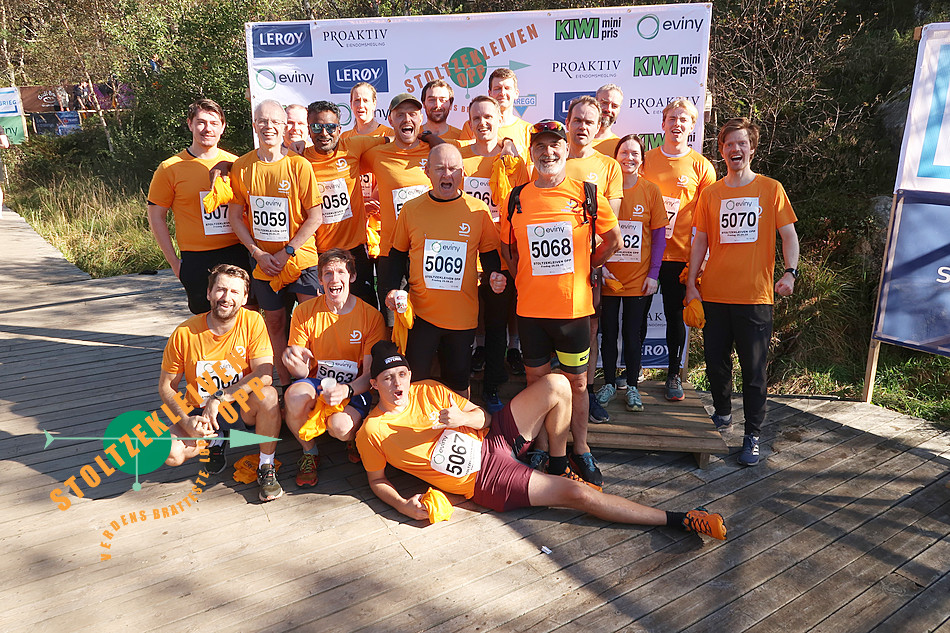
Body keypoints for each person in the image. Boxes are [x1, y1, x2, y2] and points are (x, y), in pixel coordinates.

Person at [356, 340, 726, 541]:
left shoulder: (428, 390)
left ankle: (558, 463)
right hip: (487, 480)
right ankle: (680, 519)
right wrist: (403, 505)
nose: (398, 383)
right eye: (387, 378)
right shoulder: (372, 431)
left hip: (494, 438)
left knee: (557, 383)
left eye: (402, 374)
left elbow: (485, 417)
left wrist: (464, 418)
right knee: (578, 495)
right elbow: (377, 480)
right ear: (374, 384)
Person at [499, 119, 620, 487]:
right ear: (531, 152)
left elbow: (613, 239)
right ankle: (540, 446)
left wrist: (590, 265)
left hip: (573, 312)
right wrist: (522, 275)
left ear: (566, 149)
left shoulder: (587, 194)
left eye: (555, 145)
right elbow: (506, 245)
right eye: (540, 146)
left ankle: (580, 448)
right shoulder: (517, 197)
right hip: (531, 312)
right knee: (536, 383)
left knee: (577, 385)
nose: (548, 152)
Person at [686, 118, 800, 466]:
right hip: (715, 294)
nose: (735, 149)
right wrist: (691, 284)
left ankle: (753, 434)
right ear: (721, 151)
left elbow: (789, 236)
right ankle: (722, 414)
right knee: (716, 364)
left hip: (755, 297)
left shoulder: (771, 189)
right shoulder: (710, 193)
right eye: (729, 144)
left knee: (753, 371)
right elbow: (700, 242)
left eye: (741, 143)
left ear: (752, 148)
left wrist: (790, 272)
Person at [383, 143, 505, 398]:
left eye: (453, 169)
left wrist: (495, 275)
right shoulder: (411, 209)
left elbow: (489, 254)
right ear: (427, 171)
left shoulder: (478, 210)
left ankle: (459, 422)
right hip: (421, 316)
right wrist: (392, 289)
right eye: (439, 168)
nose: (446, 174)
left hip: (461, 317)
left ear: (463, 173)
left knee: (458, 382)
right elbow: (397, 255)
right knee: (415, 381)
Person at [159, 264, 283, 501]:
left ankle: (266, 465)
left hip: (240, 407)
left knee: (268, 395)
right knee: (170, 453)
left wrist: (219, 397)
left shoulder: (253, 321)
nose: (227, 297)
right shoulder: (184, 333)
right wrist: (186, 421)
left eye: (235, 292)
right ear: (209, 293)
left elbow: (265, 373)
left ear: (244, 298)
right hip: (200, 413)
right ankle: (214, 441)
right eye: (221, 290)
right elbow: (166, 387)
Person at [228, 99, 322, 388]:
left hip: (300, 260)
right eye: (263, 121)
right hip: (264, 264)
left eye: (275, 122)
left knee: (311, 325)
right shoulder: (243, 166)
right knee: (275, 324)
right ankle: (285, 386)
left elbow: (315, 216)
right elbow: (235, 217)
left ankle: (315, 386)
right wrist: (256, 252)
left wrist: (288, 250)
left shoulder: (299, 165)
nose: (269, 127)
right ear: (255, 125)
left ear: (284, 127)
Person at [283, 249, 386, 487]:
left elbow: (369, 374)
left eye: (341, 272)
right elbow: (301, 372)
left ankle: (353, 436)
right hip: (317, 383)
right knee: (293, 396)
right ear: (320, 280)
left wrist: (347, 390)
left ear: (352, 276)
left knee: (339, 428)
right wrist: (294, 364)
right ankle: (310, 452)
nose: (334, 279)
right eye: (328, 274)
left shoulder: (371, 317)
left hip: (354, 388)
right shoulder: (304, 312)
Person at [641, 98, 716, 401]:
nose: (677, 124)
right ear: (663, 123)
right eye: (672, 118)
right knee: (637, 315)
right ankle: (630, 371)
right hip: (645, 254)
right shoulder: (646, 159)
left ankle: (673, 373)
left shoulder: (702, 166)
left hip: (680, 256)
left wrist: (703, 259)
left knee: (674, 316)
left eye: (684, 119)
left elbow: (708, 218)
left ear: (692, 126)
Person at [460, 95, 530, 411]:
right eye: (477, 118)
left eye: (488, 117)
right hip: (463, 254)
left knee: (498, 324)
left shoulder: (513, 161)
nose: (483, 123)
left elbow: (522, 207)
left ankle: (492, 388)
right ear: (469, 122)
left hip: (499, 254)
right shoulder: (459, 156)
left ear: (499, 119)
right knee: (463, 324)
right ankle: (457, 388)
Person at [147, 99, 251, 314]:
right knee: (205, 320)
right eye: (201, 122)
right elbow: (156, 216)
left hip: (238, 252)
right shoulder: (170, 168)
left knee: (243, 317)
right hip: (197, 257)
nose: (207, 129)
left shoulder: (238, 164)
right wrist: (175, 263)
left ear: (223, 127)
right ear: (190, 124)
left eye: (214, 123)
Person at [562, 95, 623, 425]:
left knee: (590, 328)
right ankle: (555, 398)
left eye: (589, 121)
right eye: (577, 120)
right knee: (553, 328)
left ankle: (585, 392)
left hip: (588, 265)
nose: (582, 126)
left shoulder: (609, 166)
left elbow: (611, 221)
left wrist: (593, 261)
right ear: (568, 122)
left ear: (599, 126)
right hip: (551, 266)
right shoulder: (552, 158)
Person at [596, 134, 667, 412]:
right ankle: (609, 383)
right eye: (624, 152)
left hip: (639, 279)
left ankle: (633, 386)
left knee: (633, 333)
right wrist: (600, 267)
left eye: (635, 153)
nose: (629, 158)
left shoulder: (650, 191)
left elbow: (659, 237)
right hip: (609, 278)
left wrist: (654, 274)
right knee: (608, 332)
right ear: (615, 158)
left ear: (642, 159)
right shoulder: (603, 192)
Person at [300, 100, 387, 309]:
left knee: (366, 309)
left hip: (354, 250)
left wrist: (428, 137)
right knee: (327, 312)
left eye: (330, 127)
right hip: (319, 251)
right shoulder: (300, 159)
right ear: (308, 130)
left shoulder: (353, 146)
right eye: (317, 127)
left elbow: (393, 140)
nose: (324, 133)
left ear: (339, 129)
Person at [360, 93, 433, 324]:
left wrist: (508, 142)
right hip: (391, 251)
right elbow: (343, 159)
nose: (407, 119)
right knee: (392, 322)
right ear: (390, 120)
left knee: (427, 322)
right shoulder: (377, 153)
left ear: (420, 118)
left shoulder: (434, 151)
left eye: (412, 114)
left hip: (428, 251)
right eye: (400, 115)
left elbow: (475, 149)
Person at [460, 69, 533, 159]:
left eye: (507, 88)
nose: (502, 93)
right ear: (489, 93)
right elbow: (463, 155)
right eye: (497, 89)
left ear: (516, 93)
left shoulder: (528, 130)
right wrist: (506, 142)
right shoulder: (470, 126)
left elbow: (530, 167)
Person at [593, 84, 624, 157]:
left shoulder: (620, 147)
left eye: (614, 106)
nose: (608, 109)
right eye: (604, 103)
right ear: (594, 103)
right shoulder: (569, 139)